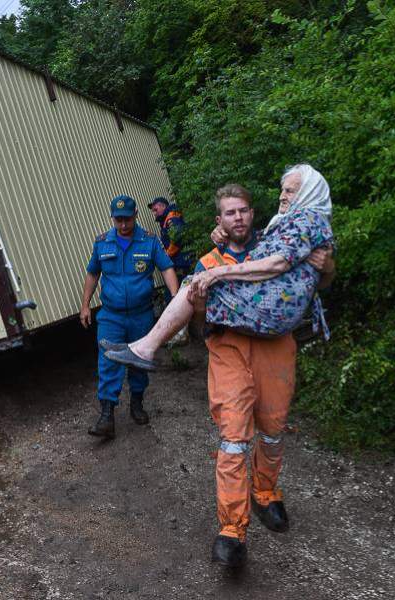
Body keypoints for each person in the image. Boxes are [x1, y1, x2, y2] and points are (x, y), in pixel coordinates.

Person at [105, 166, 335, 567]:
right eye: (230, 213)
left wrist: (326, 263)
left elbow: (317, 276)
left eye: (244, 210)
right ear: (220, 221)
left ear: (252, 213)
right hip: (229, 350)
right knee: (233, 437)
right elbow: (193, 314)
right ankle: (232, 529)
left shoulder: (275, 238)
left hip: (276, 349)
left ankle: (265, 494)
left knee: (274, 429)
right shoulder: (211, 258)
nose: (239, 218)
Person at [80, 194, 180, 438]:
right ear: (112, 218)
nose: (123, 225)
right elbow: (93, 274)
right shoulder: (102, 243)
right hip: (111, 316)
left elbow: (166, 268)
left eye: (127, 219)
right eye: (118, 220)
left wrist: (177, 300)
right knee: (108, 361)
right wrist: (85, 306)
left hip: (141, 315)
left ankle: (137, 402)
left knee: (139, 360)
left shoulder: (149, 241)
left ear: (136, 215)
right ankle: (106, 416)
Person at [147, 196, 193, 285]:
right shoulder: (166, 220)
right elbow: (168, 241)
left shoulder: (171, 217)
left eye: (155, 210)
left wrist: (167, 255)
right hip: (181, 263)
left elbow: (177, 238)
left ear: (163, 206)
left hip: (183, 263)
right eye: (153, 211)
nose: (154, 213)